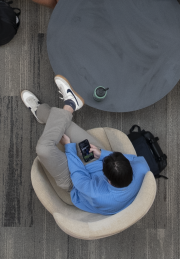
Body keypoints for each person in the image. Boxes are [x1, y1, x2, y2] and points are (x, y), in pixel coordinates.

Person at [20, 76, 150, 215]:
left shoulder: (97, 194)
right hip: (93, 159)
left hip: (74, 181)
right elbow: (131, 158)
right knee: (64, 124)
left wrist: (69, 147)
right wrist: (102, 154)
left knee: (44, 149)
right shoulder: (142, 167)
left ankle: (64, 106)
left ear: (109, 180)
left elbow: (78, 175)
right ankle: (54, 110)